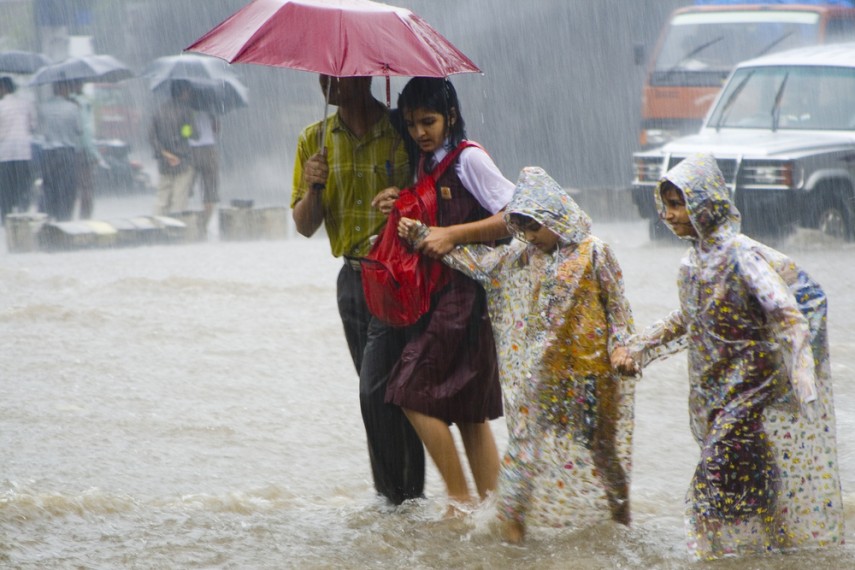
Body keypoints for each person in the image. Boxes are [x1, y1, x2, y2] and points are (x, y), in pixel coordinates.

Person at [399, 167, 638, 542]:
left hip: (590, 378)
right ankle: (513, 546)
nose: (529, 236)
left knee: (604, 456)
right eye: (521, 228)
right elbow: (476, 261)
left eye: (534, 227)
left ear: (553, 214)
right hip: (540, 380)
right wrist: (422, 235)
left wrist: (621, 349)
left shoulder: (595, 252)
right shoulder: (523, 258)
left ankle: (623, 528)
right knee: (521, 461)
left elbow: (619, 312)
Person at [628, 153, 844, 560]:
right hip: (715, 386)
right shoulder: (690, 262)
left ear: (705, 205)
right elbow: (687, 319)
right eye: (667, 205)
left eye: (679, 205)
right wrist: (640, 346)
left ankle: (701, 553)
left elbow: (787, 314)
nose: (668, 216)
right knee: (756, 463)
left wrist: (802, 373)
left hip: (753, 382)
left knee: (711, 474)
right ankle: (779, 542)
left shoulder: (741, 254)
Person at [376, 76, 515, 516]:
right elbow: (430, 211)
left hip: (469, 298)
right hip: (444, 297)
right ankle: (496, 514)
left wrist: (454, 234)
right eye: (413, 123)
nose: (420, 132)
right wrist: (400, 201)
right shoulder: (427, 162)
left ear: (451, 117)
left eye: (430, 121)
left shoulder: (469, 159)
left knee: (408, 391)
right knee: (471, 413)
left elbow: (517, 215)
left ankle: (458, 503)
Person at [291, 74, 425, 506]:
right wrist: (314, 186)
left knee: (379, 390)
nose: (325, 82)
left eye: (337, 74)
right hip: (352, 280)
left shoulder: (401, 131)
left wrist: (402, 199)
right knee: (384, 392)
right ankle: (404, 498)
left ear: (365, 75)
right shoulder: (315, 140)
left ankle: (396, 498)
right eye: (321, 74)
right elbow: (305, 226)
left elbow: (431, 197)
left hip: (399, 274)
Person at [149, 79, 197, 216]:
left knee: (162, 198)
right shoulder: (186, 111)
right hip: (183, 160)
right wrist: (186, 130)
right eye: (188, 91)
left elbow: (151, 136)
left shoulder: (159, 111)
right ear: (183, 92)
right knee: (179, 198)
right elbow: (193, 134)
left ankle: (157, 226)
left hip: (164, 162)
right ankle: (177, 229)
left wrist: (164, 153)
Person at [38, 79, 82, 221]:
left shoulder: (43, 107)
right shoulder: (73, 108)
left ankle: (49, 219)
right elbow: (79, 130)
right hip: (67, 153)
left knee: (49, 188)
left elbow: (40, 131)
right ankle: (64, 220)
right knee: (67, 189)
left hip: (48, 154)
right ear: (64, 89)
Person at [0, 76, 36, 224]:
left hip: (4, 155)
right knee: (22, 188)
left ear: (3, 88)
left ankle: (6, 220)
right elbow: (32, 126)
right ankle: (22, 218)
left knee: (5, 191)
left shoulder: (1, 105)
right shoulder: (26, 104)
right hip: (23, 152)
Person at [69, 79, 102, 219]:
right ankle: (85, 217)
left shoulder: (70, 101)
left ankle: (67, 217)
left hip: (70, 151)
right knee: (87, 187)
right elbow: (86, 130)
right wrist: (94, 154)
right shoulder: (84, 102)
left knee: (73, 187)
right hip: (82, 151)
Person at [189, 110, 220, 230]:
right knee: (210, 191)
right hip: (209, 151)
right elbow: (216, 130)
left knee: (184, 189)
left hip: (191, 151)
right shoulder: (211, 110)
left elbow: (184, 133)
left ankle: (187, 224)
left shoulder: (185, 111)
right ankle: (204, 225)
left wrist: (189, 131)